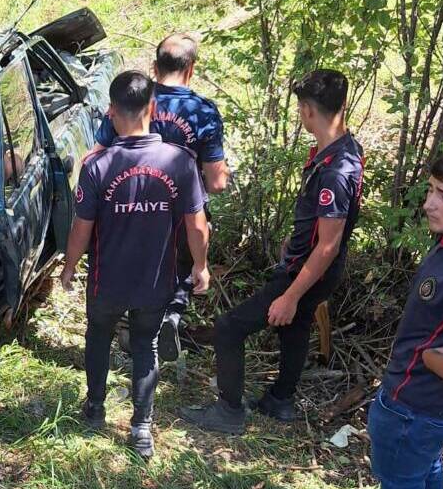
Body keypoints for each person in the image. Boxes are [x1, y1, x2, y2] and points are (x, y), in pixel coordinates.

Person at [180, 69, 364, 434]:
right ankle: (280, 400)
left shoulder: (336, 172)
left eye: (300, 108)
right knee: (295, 327)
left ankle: (229, 411)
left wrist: (292, 294)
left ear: (309, 111)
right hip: (312, 265)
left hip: (308, 272)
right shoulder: (343, 149)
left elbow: (327, 245)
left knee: (230, 328)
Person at [60, 70, 210, 459]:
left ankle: (94, 409)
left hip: (106, 280)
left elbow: (81, 227)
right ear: (153, 109)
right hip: (154, 281)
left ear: (111, 112)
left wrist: (69, 266)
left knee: (98, 337)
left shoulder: (97, 166)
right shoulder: (179, 162)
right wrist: (201, 265)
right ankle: (141, 429)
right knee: (145, 345)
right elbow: (197, 224)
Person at [90, 33, 230, 361]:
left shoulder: (133, 98)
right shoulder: (204, 112)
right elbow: (217, 182)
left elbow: (96, 154)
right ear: (191, 69)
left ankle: (129, 325)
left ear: (154, 67)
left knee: (134, 263)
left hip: (128, 207)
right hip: (181, 212)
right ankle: (171, 316)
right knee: (183, 266)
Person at [368, 151, 443, 489]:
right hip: (423, 411)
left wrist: (427, 358)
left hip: (414, 408)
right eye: (430, 191)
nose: (428, 204)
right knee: (422, 471)